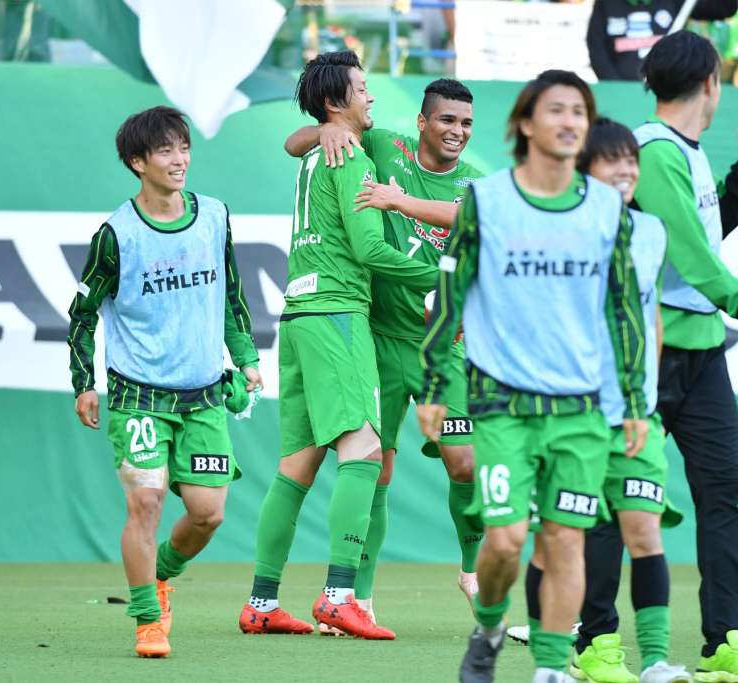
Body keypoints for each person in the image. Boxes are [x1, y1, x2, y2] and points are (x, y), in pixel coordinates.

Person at [418, 69, 648, 683]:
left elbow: (622, 308)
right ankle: (490, 625)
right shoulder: (485, 201)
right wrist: (438, 387)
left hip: (579, 412)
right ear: (525, 123)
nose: (571, 121)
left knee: (566, 541)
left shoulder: (606, 208)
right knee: (506, 541)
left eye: (580, 111)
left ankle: (549, 670)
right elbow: (450, 295)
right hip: (502, 408)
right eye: (556, 110)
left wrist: (632, 400)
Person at [238, 49, 436, 640]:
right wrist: (449, 280)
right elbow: (372, 251)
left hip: (297, 316)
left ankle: (262, 601)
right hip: (338, 314)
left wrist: (319, 127)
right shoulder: (348, 153)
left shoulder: (318, 154)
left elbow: (293, 144)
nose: (371, 97)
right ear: (336, 103)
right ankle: (338, 594)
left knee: (297, 464)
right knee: (366, 453)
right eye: (363, 88)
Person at [632, 30, 738, 680]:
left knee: (723, 493)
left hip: (701, 350)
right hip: (647, 350)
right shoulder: (652, 151)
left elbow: (704, 236)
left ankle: (727, 640)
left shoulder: (687, 152)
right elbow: (689, 253)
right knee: (619, 496)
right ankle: (589, 637)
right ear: (710, 82)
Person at [281, 78, 484, 628]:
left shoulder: (477, 185)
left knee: (463, 459)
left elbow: (480, 227)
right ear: (422, 123)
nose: (457, 132)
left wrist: (401, 202)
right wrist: (324, 128)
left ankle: (472, 570)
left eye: (466, 123)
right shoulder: (383, 146)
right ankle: (360, 597)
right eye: (447, 121)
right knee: (379, 468)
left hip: (446, 348)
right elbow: (294, 145)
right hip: (382, 340)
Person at [67, 106, 262, 658]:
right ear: (137, 162)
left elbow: (232, 295)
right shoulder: (115, 235)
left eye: (184, 147)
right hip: (138, 397)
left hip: (204, 396)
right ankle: (147, 620)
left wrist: (245, 358)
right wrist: (84, 382)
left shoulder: (216, 216)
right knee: (146, 503)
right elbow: (81, 314)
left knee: (208, 513)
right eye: (165, 151)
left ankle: (162, 574)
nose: (180, 160)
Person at [524, 118, 692, 683]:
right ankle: (551, 666)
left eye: (631, 161)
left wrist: (647, 400)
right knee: (558, 543)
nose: (625, 170)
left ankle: (658, 662)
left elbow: (653, 316)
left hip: (637, 419)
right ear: (584, 168)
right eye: (612, 160)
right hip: (570, 416)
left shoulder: (652, 232)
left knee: (643, 532)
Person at [586, 0, 738, 81]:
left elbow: (725, 7)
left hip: (669, 92)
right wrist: (618, 86)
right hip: (621, 93)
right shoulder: (605, 3)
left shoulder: (676, 1)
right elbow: (596, 48)